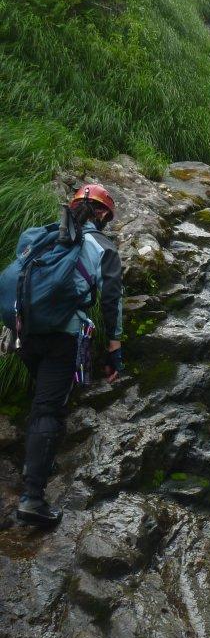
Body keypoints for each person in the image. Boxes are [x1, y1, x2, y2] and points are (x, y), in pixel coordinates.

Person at [11, 184, 123, 527]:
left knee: (43, 401)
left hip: (26, 334)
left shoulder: (42, 237)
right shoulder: (103, 246)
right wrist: (114, 349)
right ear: (102, 214)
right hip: (65, 335)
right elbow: (111, 301)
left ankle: (39, 459)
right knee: (49, 408)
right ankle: (33, 498)